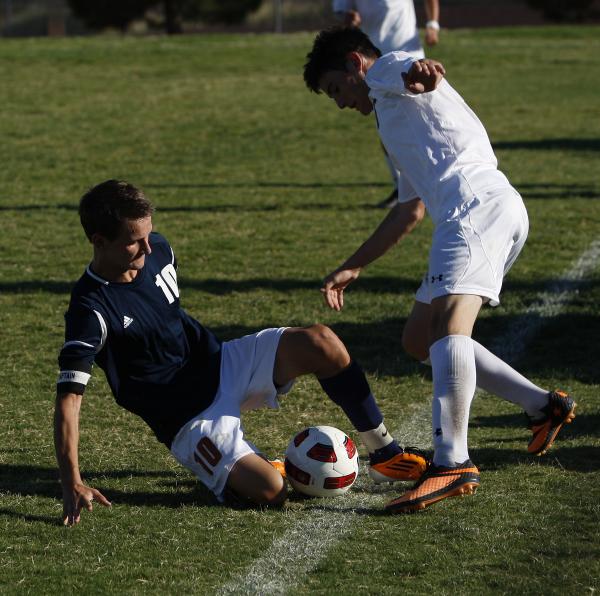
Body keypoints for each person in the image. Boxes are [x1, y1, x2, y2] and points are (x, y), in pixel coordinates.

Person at [303, 27, 576, 513]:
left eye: (337, 90)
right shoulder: (392, 119)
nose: (341, 103)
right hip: (475, 213)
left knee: (451, 327)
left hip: (476, 209)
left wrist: (422, 72)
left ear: (353, 64)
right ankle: (543, 406)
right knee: (418, 338)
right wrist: (354, 266)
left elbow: (411, 68)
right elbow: (409, 211)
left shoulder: (385, 72)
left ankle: (452, 463)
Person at [54, 179, 428, 526]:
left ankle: (385, 453)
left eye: (149, 234)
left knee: (321, 342)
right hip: (188, 417)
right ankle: (266, 468)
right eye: (134, 241)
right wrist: (72, 479)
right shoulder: (90, 310)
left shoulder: (159, 251)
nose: (149, 248)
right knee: (271, 491)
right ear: (100, 241)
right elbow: (68, 401)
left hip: (221, 363)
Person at [332, 0, 440, 208]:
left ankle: (430, 183)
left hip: (409, 55)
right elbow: (343, 18)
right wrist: (350, 21)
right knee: (389, 126)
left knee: (425, 119)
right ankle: (405, 190)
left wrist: (432, 24)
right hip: (373, 63)